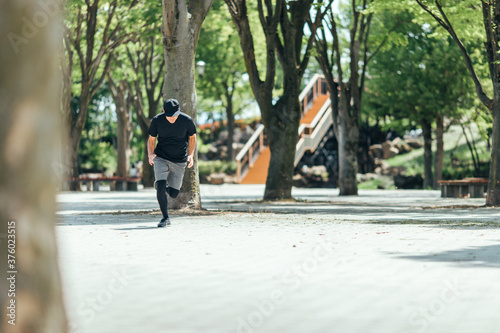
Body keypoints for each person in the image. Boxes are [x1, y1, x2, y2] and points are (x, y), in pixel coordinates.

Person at [148, 98, 197, 227]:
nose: (172, 119)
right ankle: (165, 218)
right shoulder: (157, 120)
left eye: (174, 116)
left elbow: (192, 137)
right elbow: (151, 139)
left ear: (179, 110)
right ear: (164, 111)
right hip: (161, 157)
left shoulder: (186, 120)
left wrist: (191, 155)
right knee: (160, 188)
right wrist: (150, 154)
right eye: (169, 116)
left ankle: (161, 186)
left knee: (174, 193)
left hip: (179, 160)